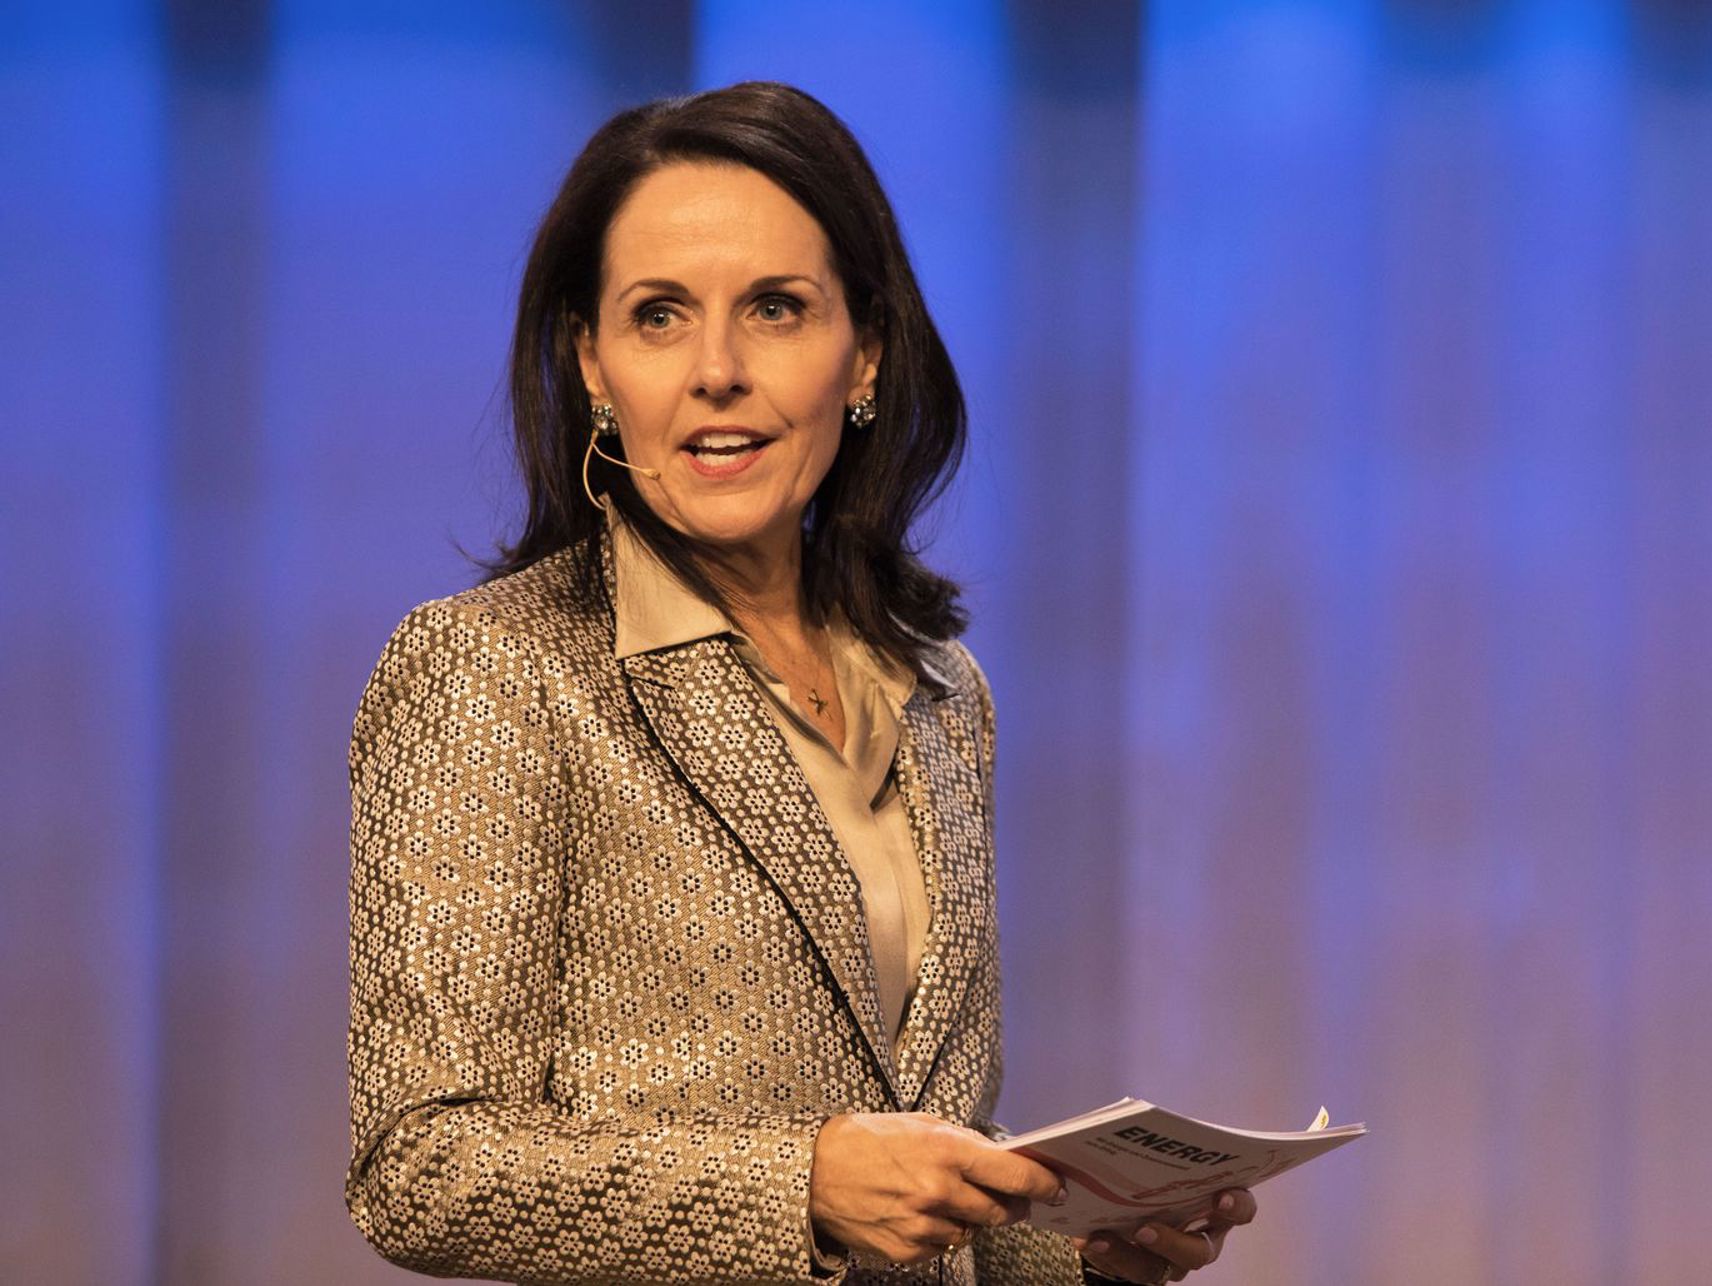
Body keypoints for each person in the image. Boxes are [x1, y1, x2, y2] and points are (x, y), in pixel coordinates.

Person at [346, 81, 1256, 1285]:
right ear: (592, 361)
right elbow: (418, 1166)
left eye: (774, 308)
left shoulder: (938, 687)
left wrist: (1076, 1244)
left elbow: (907, 1146)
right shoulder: (489, 669)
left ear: (863, 350)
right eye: (659, 315)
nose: (717, 370)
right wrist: (804, 1183)